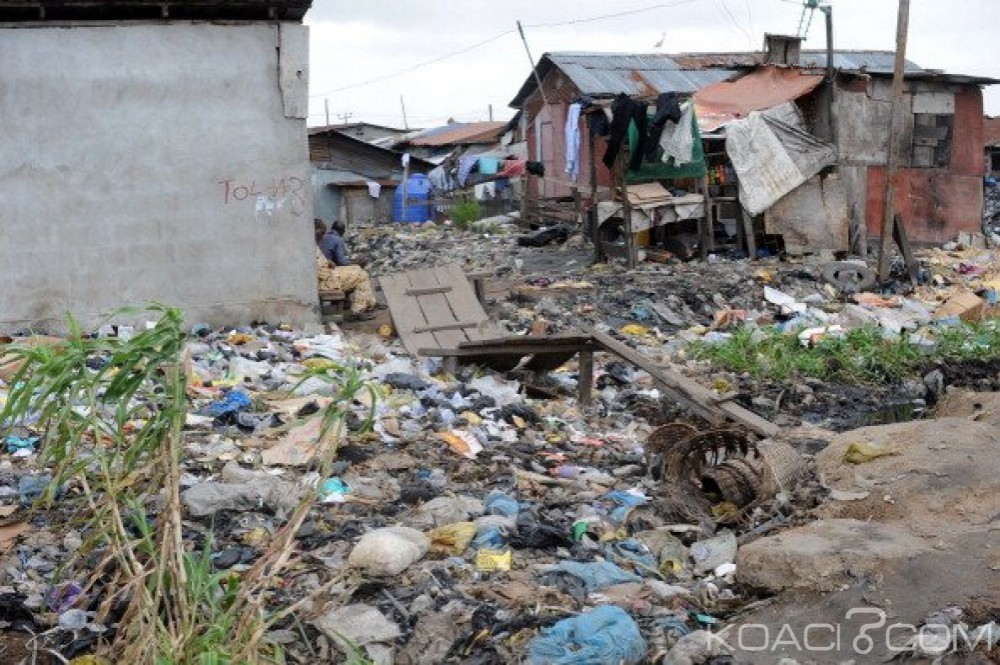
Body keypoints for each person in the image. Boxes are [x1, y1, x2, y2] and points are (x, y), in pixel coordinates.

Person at [314, 219, 378, 319]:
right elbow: (331, 268)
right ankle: (359, 310)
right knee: (361, 274)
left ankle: (368, 303)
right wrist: (354, 262)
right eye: (321, 233)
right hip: (325, 280)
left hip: (325, 275)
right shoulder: (317, 243)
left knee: (358, 270)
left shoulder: (312, 243)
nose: (323, 236)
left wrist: (328, 262)